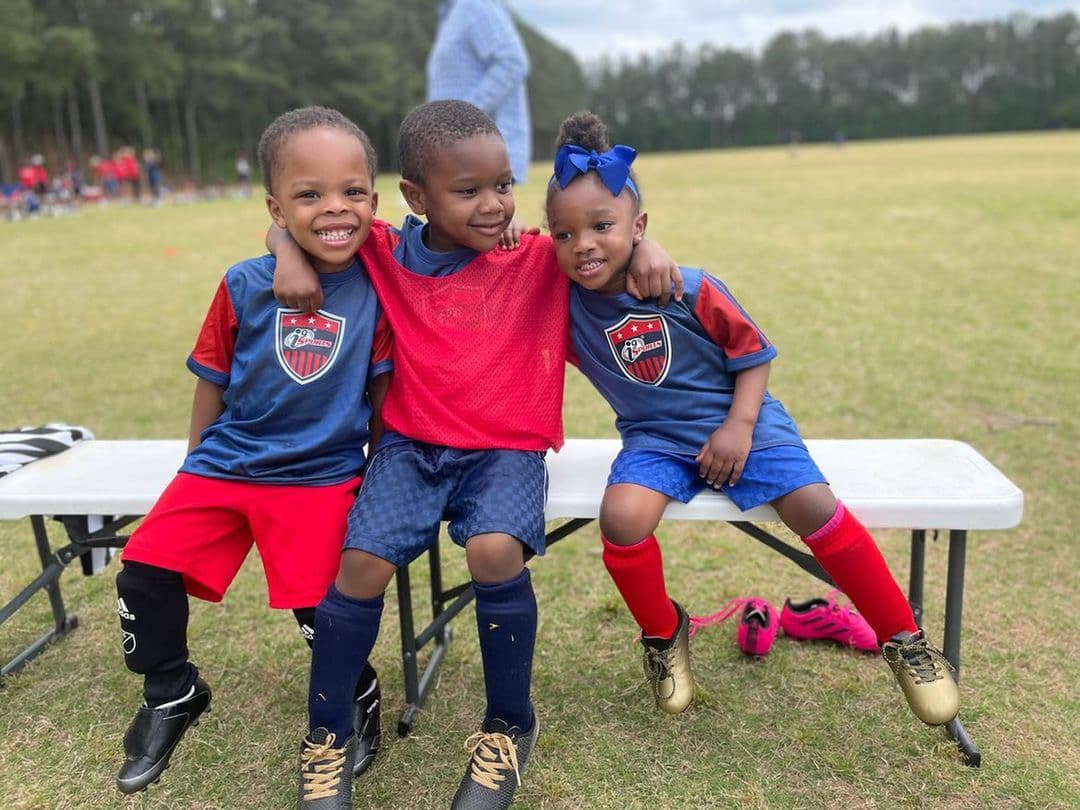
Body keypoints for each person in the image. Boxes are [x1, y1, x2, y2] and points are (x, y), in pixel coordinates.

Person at [270, 100, 680, 809]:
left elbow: (603, 237)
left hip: (505, 450)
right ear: (415, 197)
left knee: (494, 550)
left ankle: (508, 726)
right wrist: (283, 253)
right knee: (360, 563)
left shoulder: (536, 259)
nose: (494, 205)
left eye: (503, 184)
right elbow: (299, 226)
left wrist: (647, 248)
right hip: (410, 447)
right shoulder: (383, 250)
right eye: (469, 191)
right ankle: (327, 737)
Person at [544, 111, 961, 727]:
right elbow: (515, 250)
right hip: (656, 440)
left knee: (813, 505)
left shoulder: (687, 287)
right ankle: (664, 634)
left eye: (602, 226)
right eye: (564, 234)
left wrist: (738, 427)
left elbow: (753, 356)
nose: (583, 245)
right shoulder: (564, 302)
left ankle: (905, 639)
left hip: (744, 420)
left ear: (640, 227)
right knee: (622, 517)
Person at [111, 106, 390, 795]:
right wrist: (193, 462)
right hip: (224, 462)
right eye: (308, 195)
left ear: (375, 202)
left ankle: (355, 692)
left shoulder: (385, 279)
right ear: (275, 206)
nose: (334, 208)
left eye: (351, 192)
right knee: (142, 572)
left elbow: (383, 400)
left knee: (319, 603)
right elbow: (212, 376)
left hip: (321, 473)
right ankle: (171, 691)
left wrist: (380, 474)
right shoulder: (243, 284)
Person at [427, 0, 531, 183]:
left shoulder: (476, 5)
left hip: (482, 155)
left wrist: (462, 117)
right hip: (458, 155)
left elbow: (512, 62)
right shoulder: (452, 14)